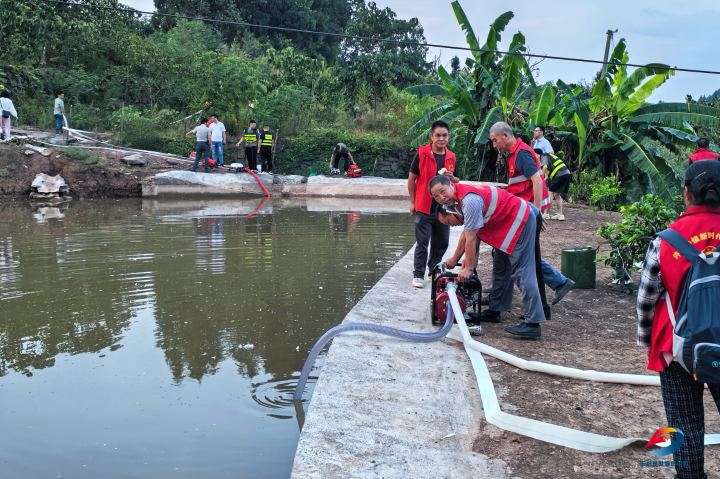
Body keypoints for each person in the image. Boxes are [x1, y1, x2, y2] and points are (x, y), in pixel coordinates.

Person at [636, 159, 720, 479]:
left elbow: (647, 299)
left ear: (686, 195)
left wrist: (647, 342)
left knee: (685, 424)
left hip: (678, 349)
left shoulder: (666, 241)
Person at [431, 176, 545, 338]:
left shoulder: (469, 201)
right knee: (500, 268)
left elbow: (471, 237)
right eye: (436, 196)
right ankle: (494, 310)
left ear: (451, 184)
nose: (441, 197)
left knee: (522, 272)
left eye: (442, 191)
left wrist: (469, 268)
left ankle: (533, 323)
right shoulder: (455, 203)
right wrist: (456, 260)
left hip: (519, 221)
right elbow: (468, 234)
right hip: (504, 225)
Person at [489, 121, 552, 321]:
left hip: (525, 214)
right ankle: (541, 304)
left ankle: (540, 309)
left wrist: (537, 212)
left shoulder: (522, 154)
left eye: (495, 140)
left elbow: (536, 180)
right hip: (521, 213)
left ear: (505, 136)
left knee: (527, 263)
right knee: (527, 259)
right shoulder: (515, 154)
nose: (495, 145)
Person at [407, 120, 459, 288]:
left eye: (445, 135)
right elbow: (411, 179)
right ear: (431, 136)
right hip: (424, 206)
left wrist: (452, 178)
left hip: (445, 208)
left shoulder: (451, 156)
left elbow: (457, 180)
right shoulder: (421, 153)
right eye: (438, 135)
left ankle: (433, 270)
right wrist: (412, 202)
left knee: (442, 242)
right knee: (422, 242)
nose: (441, 138)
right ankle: (418, 275)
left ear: (448, 137)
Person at [535, 148, 571, 221]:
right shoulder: (548, 158)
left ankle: (546, 214)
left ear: (537, 154)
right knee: (556, 194)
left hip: (559, 173)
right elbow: (547, 174)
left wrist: (540, 177)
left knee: (550, 192)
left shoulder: (544, 156)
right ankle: (560, 214)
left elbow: (545, 167)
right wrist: (545, 178)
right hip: (566, 173)